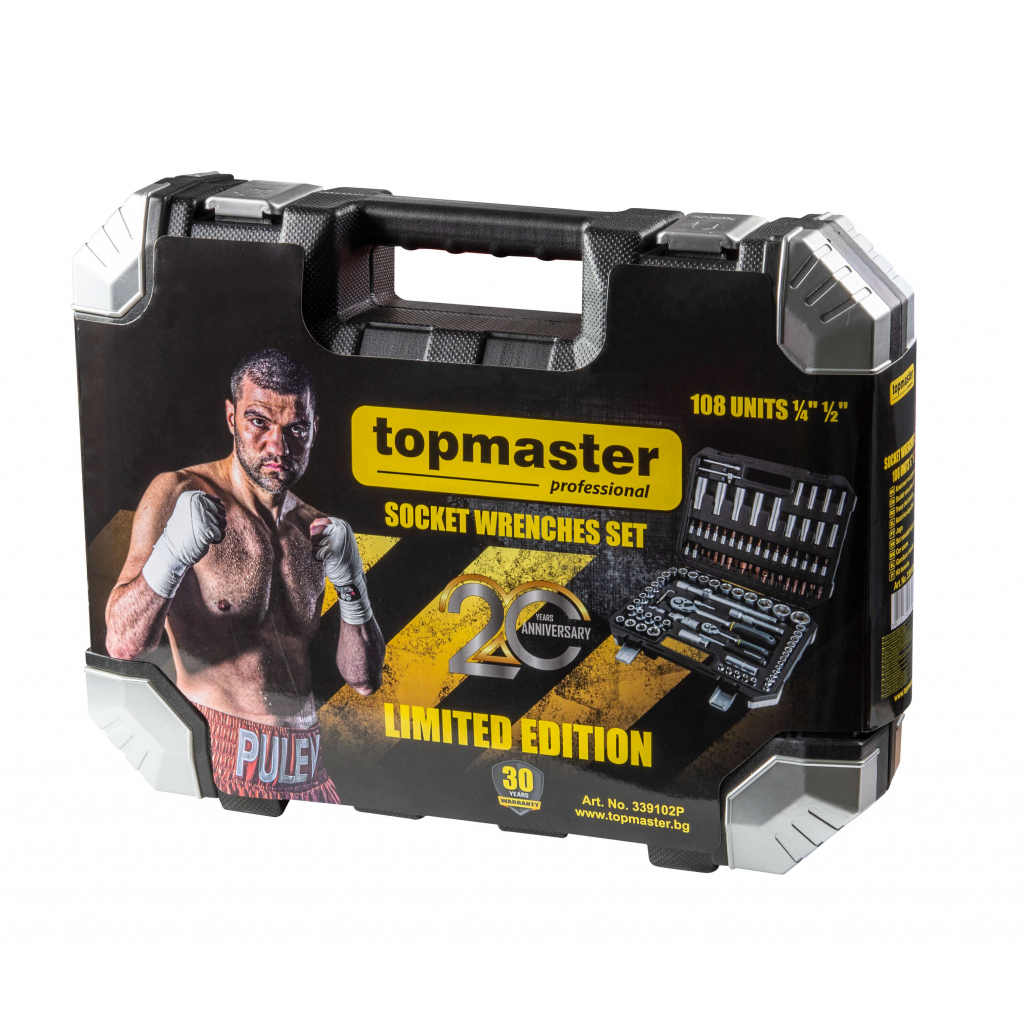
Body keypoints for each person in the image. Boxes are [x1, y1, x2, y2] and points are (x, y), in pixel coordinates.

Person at [105, 349, 385, 803]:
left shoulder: (315, 530)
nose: (278, 446)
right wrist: (170, 553)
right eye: (259, 422)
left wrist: (353, 587)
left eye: (296, 429)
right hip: (217, 749)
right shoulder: (177, 492)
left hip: (308, 762)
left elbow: (364, 680)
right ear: (231, 417)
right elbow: (122, 643)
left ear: (314, 429)